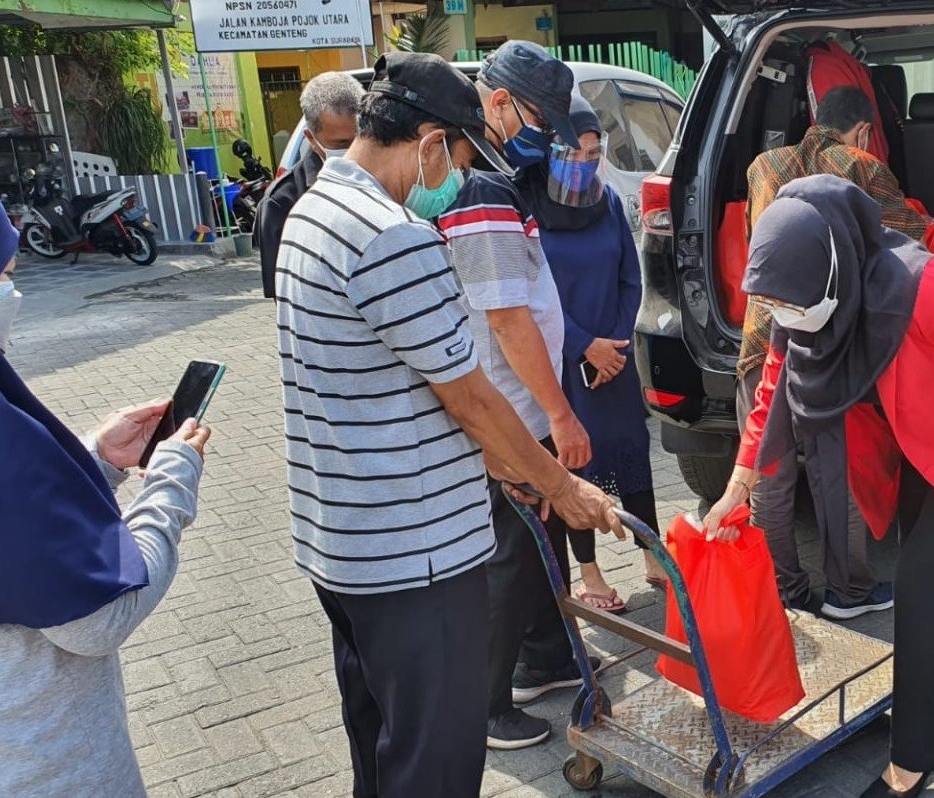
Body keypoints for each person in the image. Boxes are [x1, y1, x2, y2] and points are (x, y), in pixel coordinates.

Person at [274, 52, 621, 797]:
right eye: (461, 155)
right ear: (431, 141)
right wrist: (560, 485)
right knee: (434, 760)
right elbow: (469, 397)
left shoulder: (311, 209)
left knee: (380, 742)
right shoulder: (393, 236)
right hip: (413, 554)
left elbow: (392, 384)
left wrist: (507, 465)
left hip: (342, 543)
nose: (459, 176)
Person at [703, 175, 934, 798]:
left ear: (833, 267)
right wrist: (740, 482)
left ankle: (911, 762)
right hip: (919, 456)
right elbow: (774, 384)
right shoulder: (803, 292)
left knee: (925, 593)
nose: (788, 319)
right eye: (777, 308)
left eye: (793, 306)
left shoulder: (923, 285)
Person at [0, 169, 212, 797]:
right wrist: (169, 485)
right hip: (34, 766)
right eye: (0, 278)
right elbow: (97, 617)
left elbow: (3, 528)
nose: (6, 294)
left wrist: (91, 460)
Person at [432, 40, 601, 752]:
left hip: (517, 404)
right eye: (538, 117)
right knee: (509, 551)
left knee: (537, 542)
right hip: (507, 410)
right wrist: (559, 413)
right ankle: (485, 702)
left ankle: (544, 657)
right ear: (496, 101)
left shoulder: (494, 174)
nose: (545, 135)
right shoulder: (479, 190)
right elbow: (505, 317)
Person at [736, 85, 933, 618]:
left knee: (769, 474)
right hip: (831, 343)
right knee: (835, 474)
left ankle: (786, 590)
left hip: (764, 332)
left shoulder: (762, 164)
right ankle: (849, 592)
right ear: (864, 129)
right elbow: (910, 241)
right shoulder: (863, 166)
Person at [522, 96, 668, 609]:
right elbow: (531, 298)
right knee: (573, 463)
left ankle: (652, 554)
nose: (584, 163)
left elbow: (632, 277)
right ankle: (590, 572)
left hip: (615, 360)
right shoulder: (527, 207)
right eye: (572, 151)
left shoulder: (606, 203)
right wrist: (585, 345)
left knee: (632, 456)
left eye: (592, 152)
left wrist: (614, 344)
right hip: (561, 362)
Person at [255, 70, 363, 299]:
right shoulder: (283, 201)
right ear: (311, 138)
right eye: (342, 143)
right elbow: (284, 295)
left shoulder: (390, 182)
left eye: (359, 139)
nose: (354, 151)